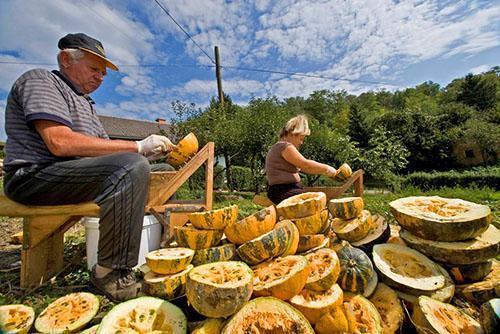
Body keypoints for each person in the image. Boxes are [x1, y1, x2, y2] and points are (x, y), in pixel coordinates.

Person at [3, 33, 175, 301]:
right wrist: (137, 147)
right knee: (130, 166)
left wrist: (147, 156)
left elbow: (102, 151)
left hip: (71, 173)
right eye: (95, 68)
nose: (101, 77)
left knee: (163, 171)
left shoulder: (85, 103)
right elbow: (59, 142)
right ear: (65, 59)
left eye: (104, 72)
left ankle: (166, 247)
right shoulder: (40, 81)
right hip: (34, 175)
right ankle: (110, 272)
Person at [265, 115, 338, 204]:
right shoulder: (285, 146)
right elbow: (305, 165)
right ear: (293, 133)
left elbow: (307, 168)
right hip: (282, 191)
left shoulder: (279, 146)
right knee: (315, 203)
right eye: (301, 138)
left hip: (284, 190)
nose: (301, 142)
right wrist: (327, 169)